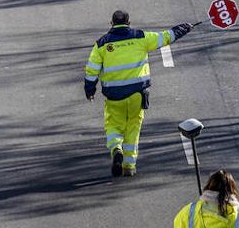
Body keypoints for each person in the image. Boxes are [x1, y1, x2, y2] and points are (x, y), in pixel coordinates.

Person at [83, 9, 193, 177]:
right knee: (133, 129)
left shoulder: (102, 44)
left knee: (113, 126)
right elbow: (166, 37)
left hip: (114, 96)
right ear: (129, 22)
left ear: (111, 23)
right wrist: (184, 27)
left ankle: (116, 149)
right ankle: (129, 166)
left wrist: (90, 90)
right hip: (137, 94)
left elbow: (92, 70)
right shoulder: (140, 37)